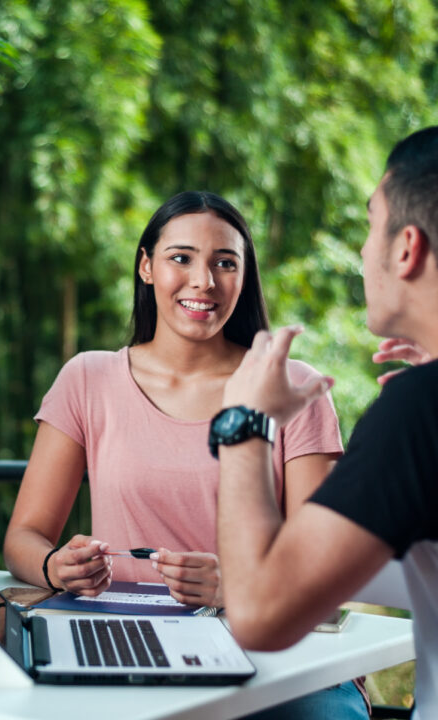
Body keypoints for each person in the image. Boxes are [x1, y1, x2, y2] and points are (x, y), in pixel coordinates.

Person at [3, 191, 368, 718]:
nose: (204, 281)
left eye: (225, 262)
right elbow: (23, 539)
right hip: (128, 650)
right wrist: (55, 566)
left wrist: (238, 584)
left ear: (244, 279)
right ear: (146, 267)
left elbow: (325, 570)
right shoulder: (88, 378)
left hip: (276, 659)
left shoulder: (293, 387)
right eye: (181, 258)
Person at [214, 125, 438, 720]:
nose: (365, 250)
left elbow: (260, 614)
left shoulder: (420, 411)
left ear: (406, 247)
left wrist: (244, 422)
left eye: (371, 225)